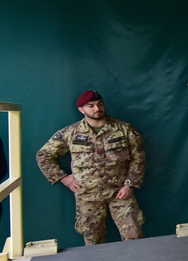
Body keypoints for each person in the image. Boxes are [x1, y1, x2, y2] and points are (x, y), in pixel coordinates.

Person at [37, 90, 145, 245]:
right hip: (88, 195)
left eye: (100, 104)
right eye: (91, 106)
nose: (97, 108)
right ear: (81, 109)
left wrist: (131, 184)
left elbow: (138, 158)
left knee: (134, 236)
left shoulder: (124, 129)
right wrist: (63, 178)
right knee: (93, 242)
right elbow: (44, 155)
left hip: (120, 192)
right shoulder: (70, 133)